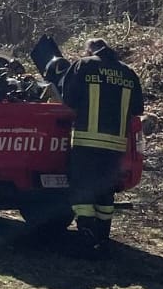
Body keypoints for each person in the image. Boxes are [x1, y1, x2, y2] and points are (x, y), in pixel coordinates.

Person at [50, 38, 144, 251]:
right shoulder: (128, 73)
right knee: (105, 191)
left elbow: (68, 99)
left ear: (89, 50)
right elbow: (137, 108)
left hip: (87, 142)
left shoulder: (84, 65)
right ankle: (102, 239)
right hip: (116, 146)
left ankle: (86, 237)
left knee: (82, 189)